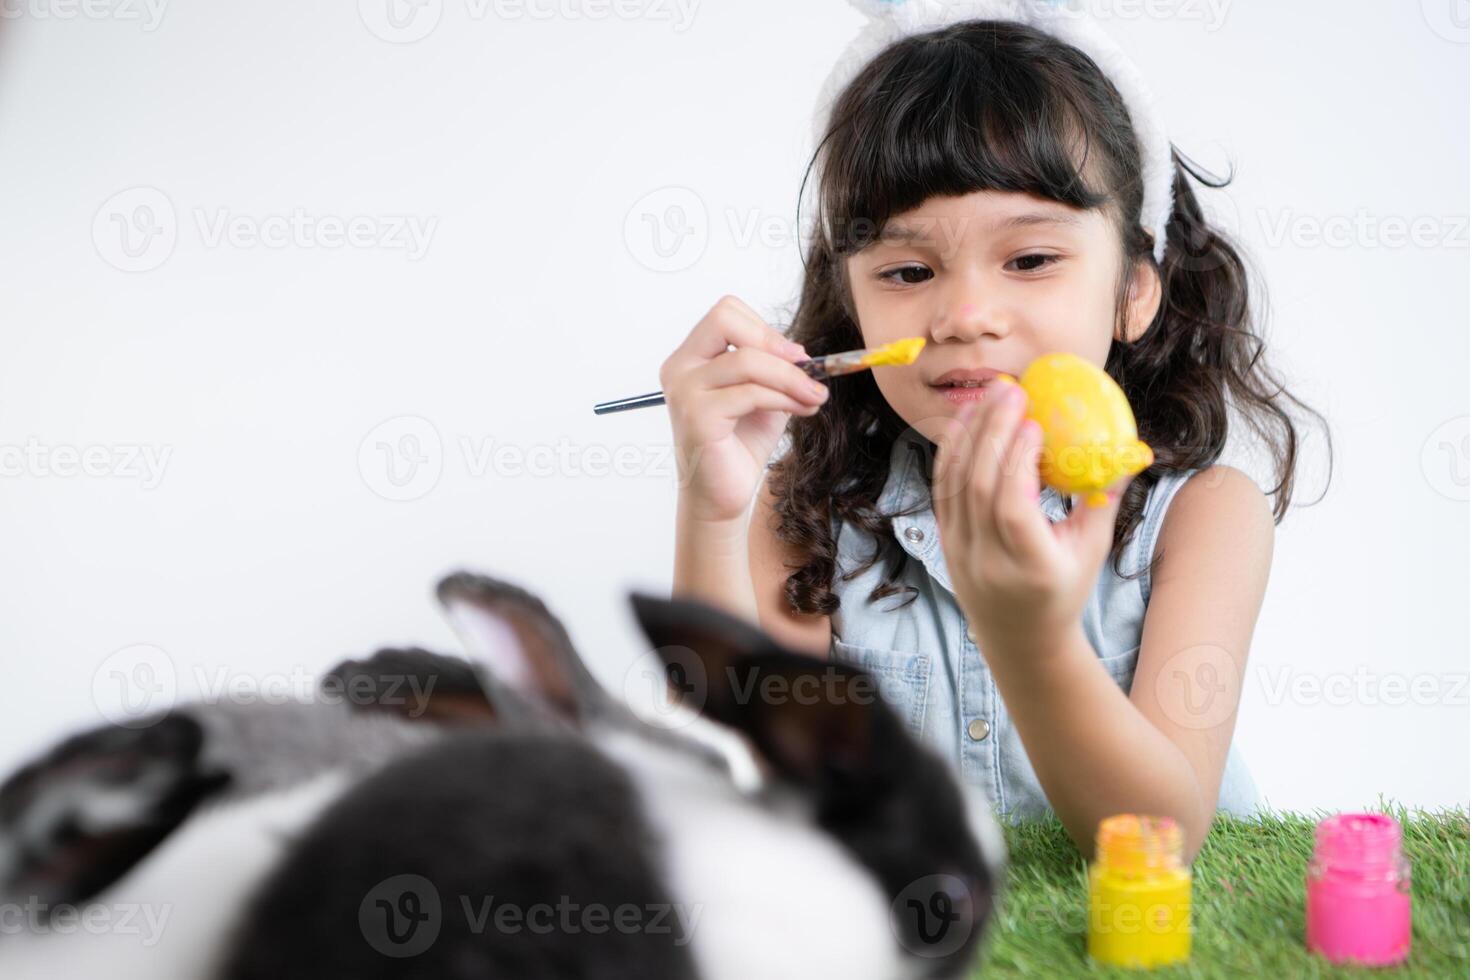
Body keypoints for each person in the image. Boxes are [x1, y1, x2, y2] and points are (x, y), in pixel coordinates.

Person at [657, 7, 1329, 861]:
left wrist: (1029, 635)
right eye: (908, 271)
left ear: (1133, 290)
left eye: (1030, 260)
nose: (964, 317)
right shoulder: (809, 514)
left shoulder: (1204, 517)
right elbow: (735, 805)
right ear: (851, 306)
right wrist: (710, 512)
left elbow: (1159, 841)